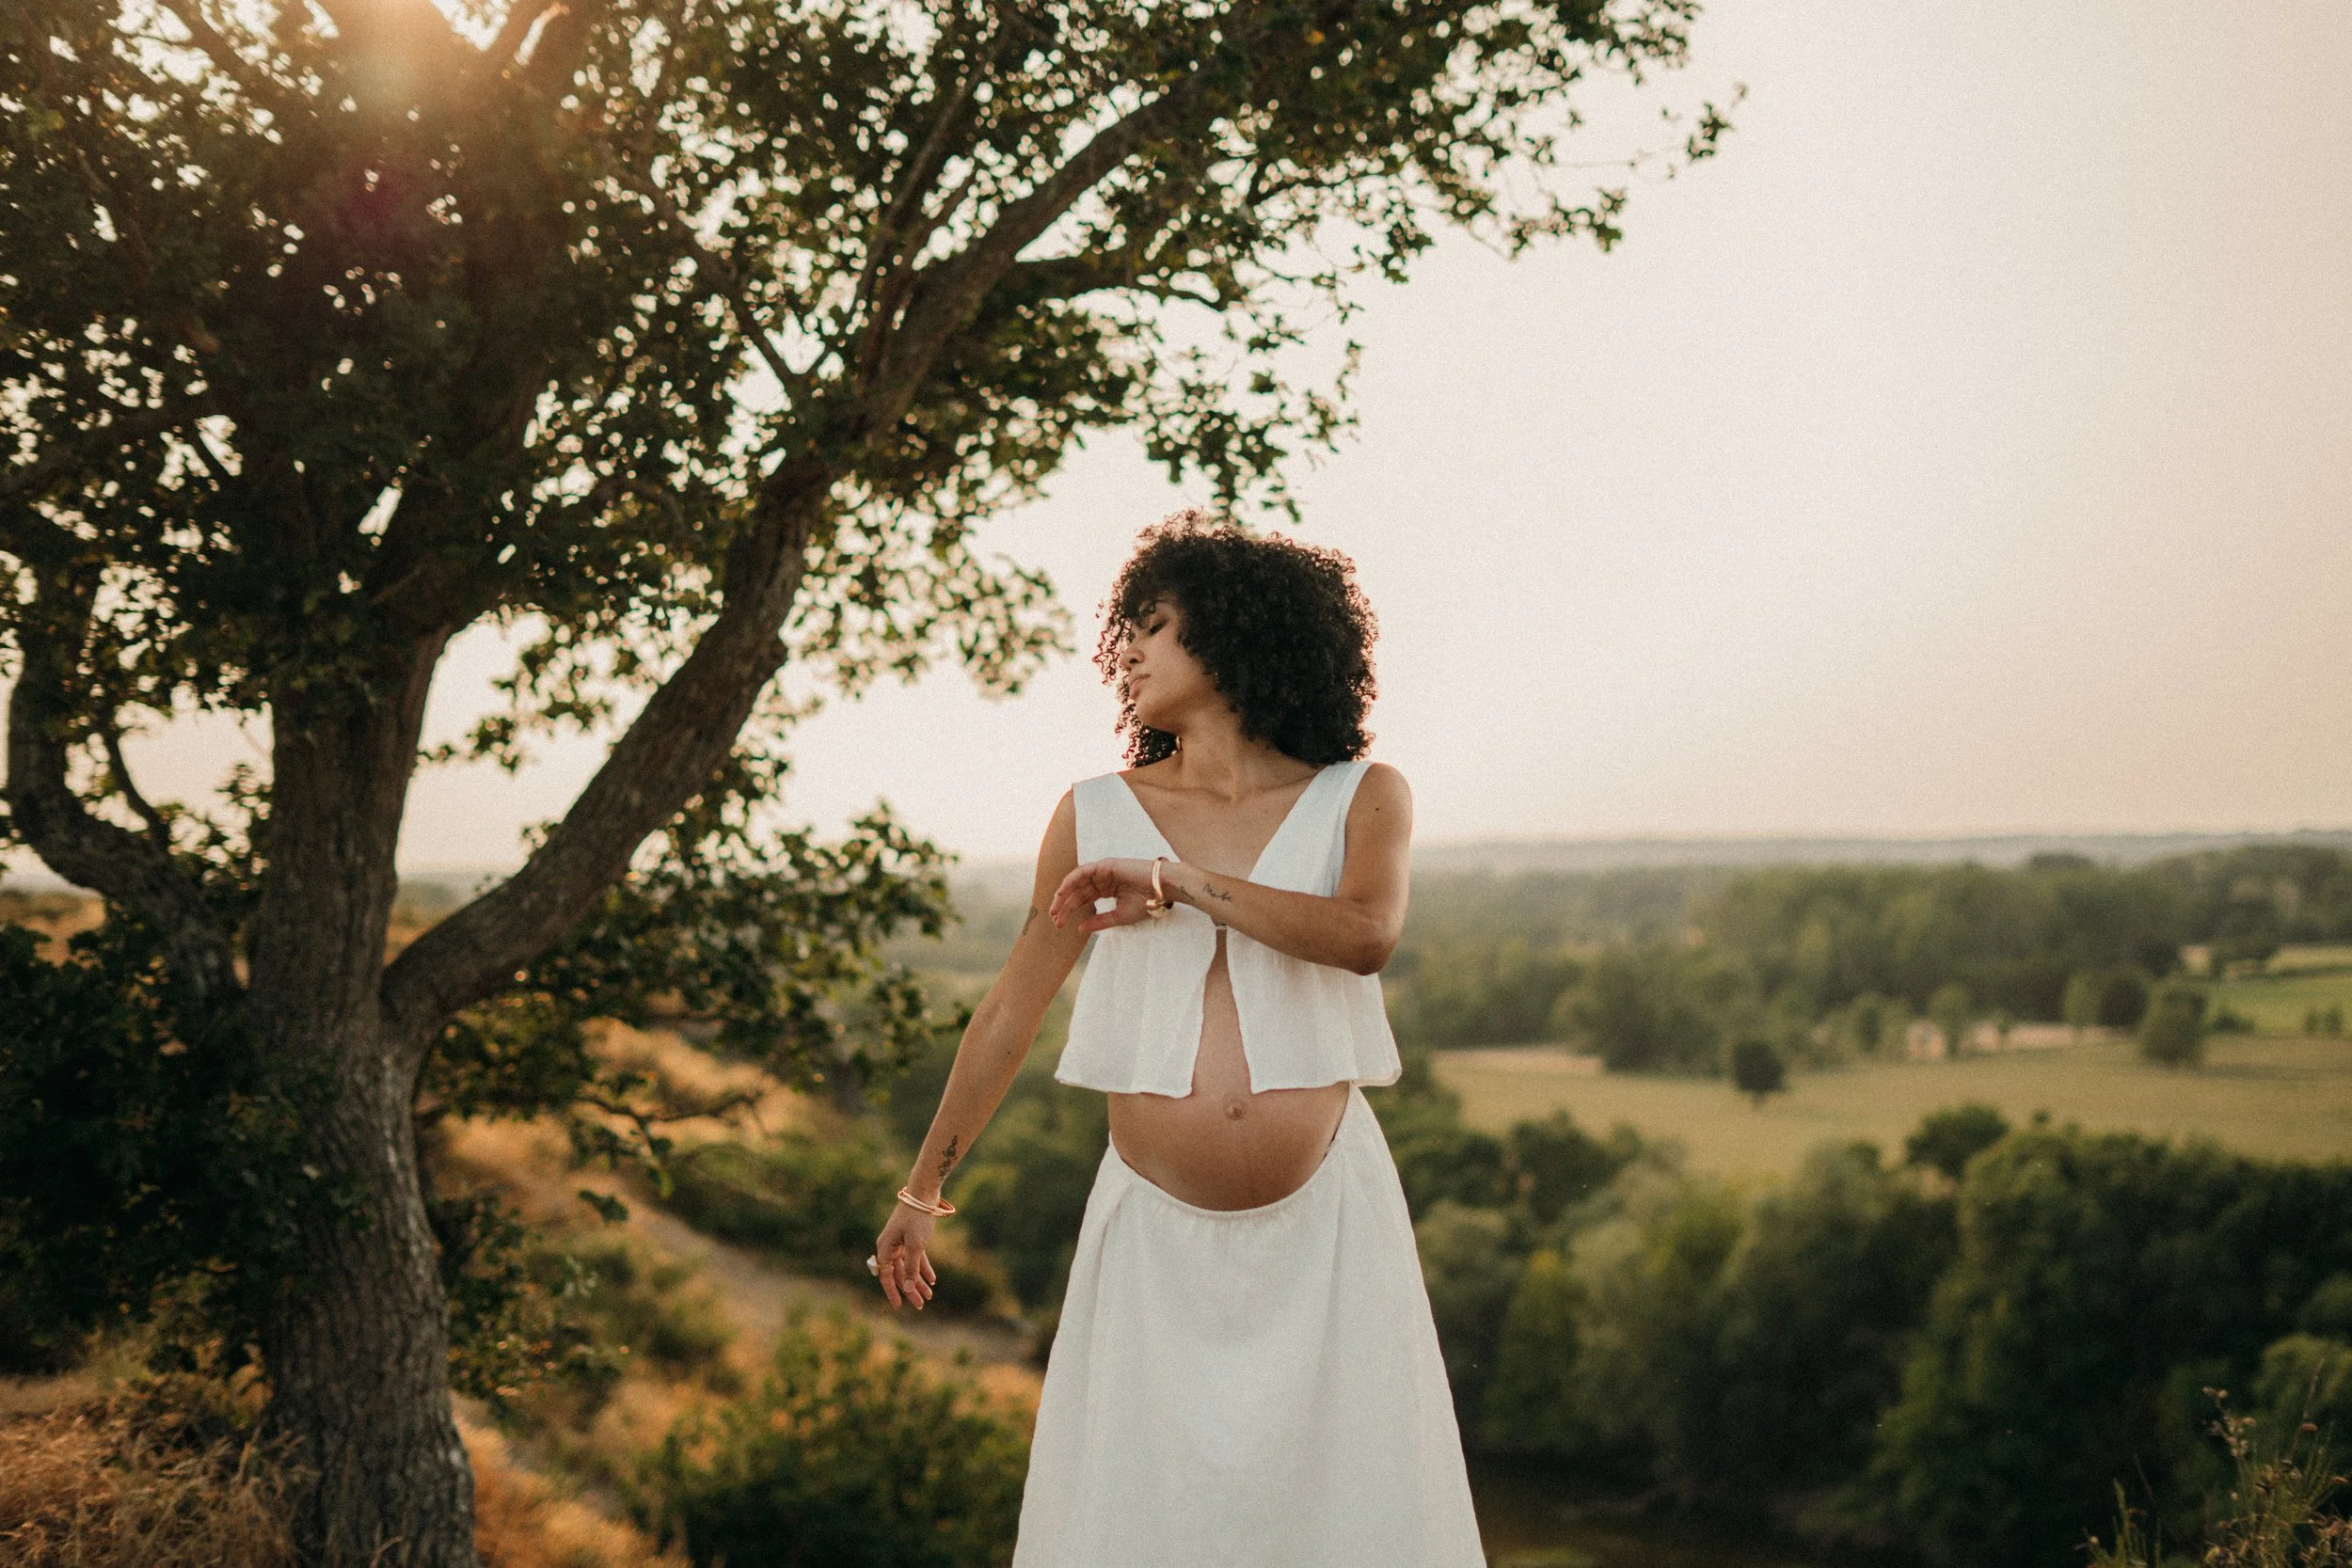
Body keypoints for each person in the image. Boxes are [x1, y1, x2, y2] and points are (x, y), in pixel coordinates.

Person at [870, 509, 1485, 1567]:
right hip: (1153, 1243)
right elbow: (1010, 1010)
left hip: (1329, 1232)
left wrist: (1176, 882)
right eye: (1130, 630)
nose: (1130, 650)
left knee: (1359, 1525)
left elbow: (1363, 935)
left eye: (1156, 624)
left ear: (1237, 632)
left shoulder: (1361, 796)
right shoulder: (1093, 810)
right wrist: (919, 1191)